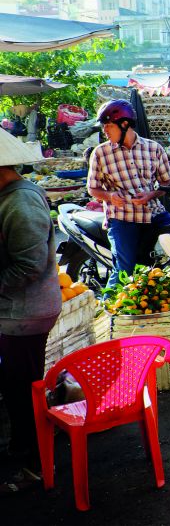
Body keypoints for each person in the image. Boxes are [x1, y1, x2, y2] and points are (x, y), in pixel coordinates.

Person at [0, 130, 62, 493]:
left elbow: (30, 266)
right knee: (16, 385)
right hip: (17, 310)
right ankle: (26, 447)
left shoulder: (20, 203)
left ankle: (36, 462)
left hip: (26, 312)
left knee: (23, 388)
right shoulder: (9, 197)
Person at [86, 100, 170, 289]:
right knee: (125, 269)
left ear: (124, 124)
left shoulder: (154, 148)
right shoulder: (101, 153)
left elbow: (166, 182)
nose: (105, 131)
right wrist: (109, 197)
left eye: (108, 126)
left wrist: (151, 195)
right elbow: (92, 188)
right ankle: (110, 312)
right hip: (122, 217)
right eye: (104, 127)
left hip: (154, 212)